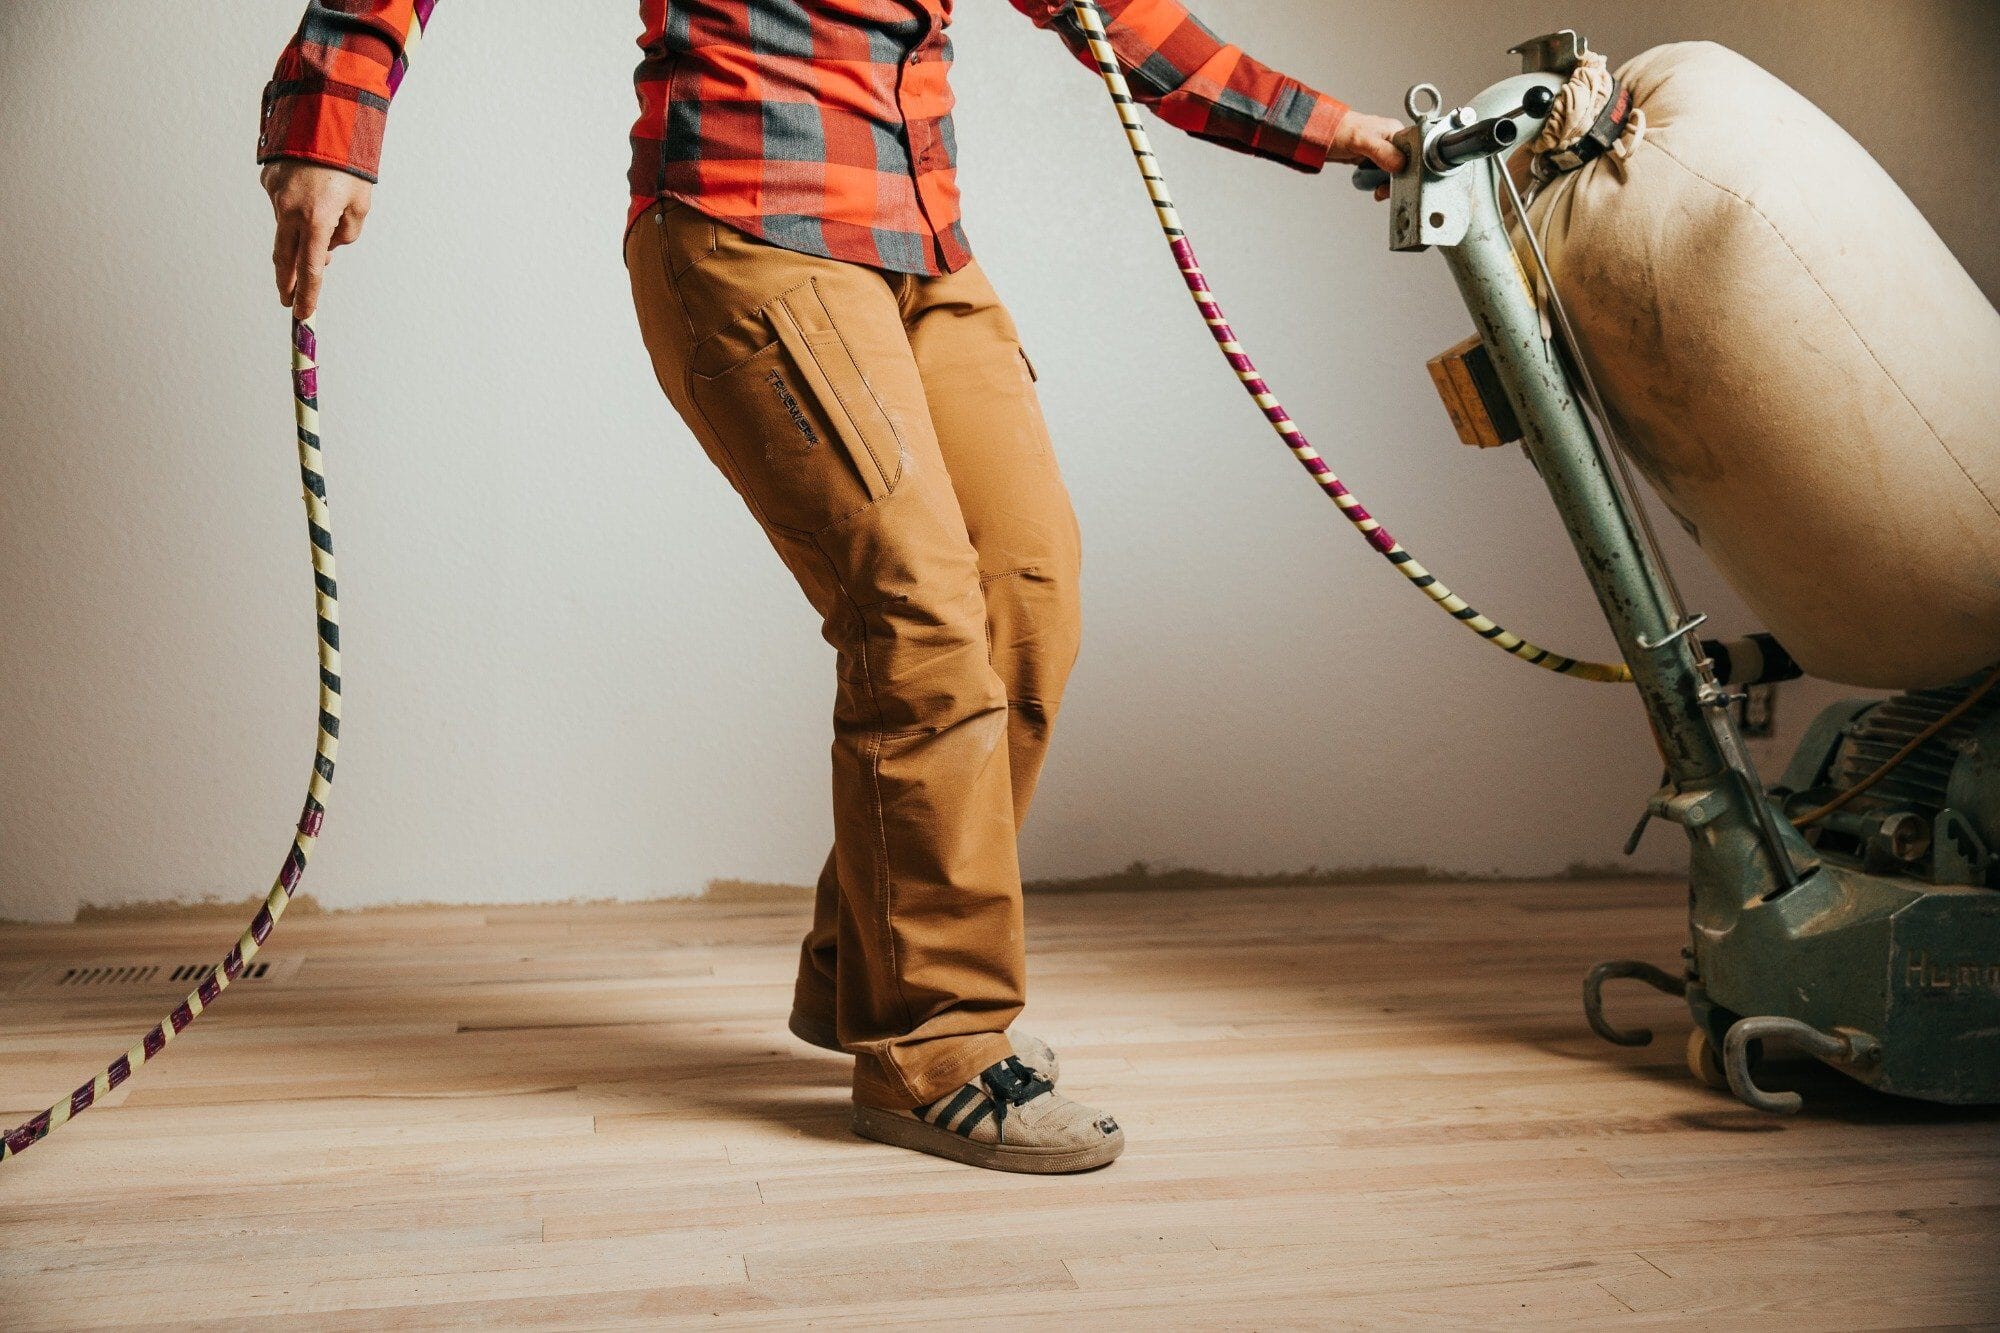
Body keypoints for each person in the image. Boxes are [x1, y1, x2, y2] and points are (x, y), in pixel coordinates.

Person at [258, 0, 1403, 1175]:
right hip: (748, 230)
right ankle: (931, 1047)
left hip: (922, 254)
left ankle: (863, 960)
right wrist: (328, 121)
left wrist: (1344, 131)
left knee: (1027, 598)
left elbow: (1129, 22)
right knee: (916, 616)